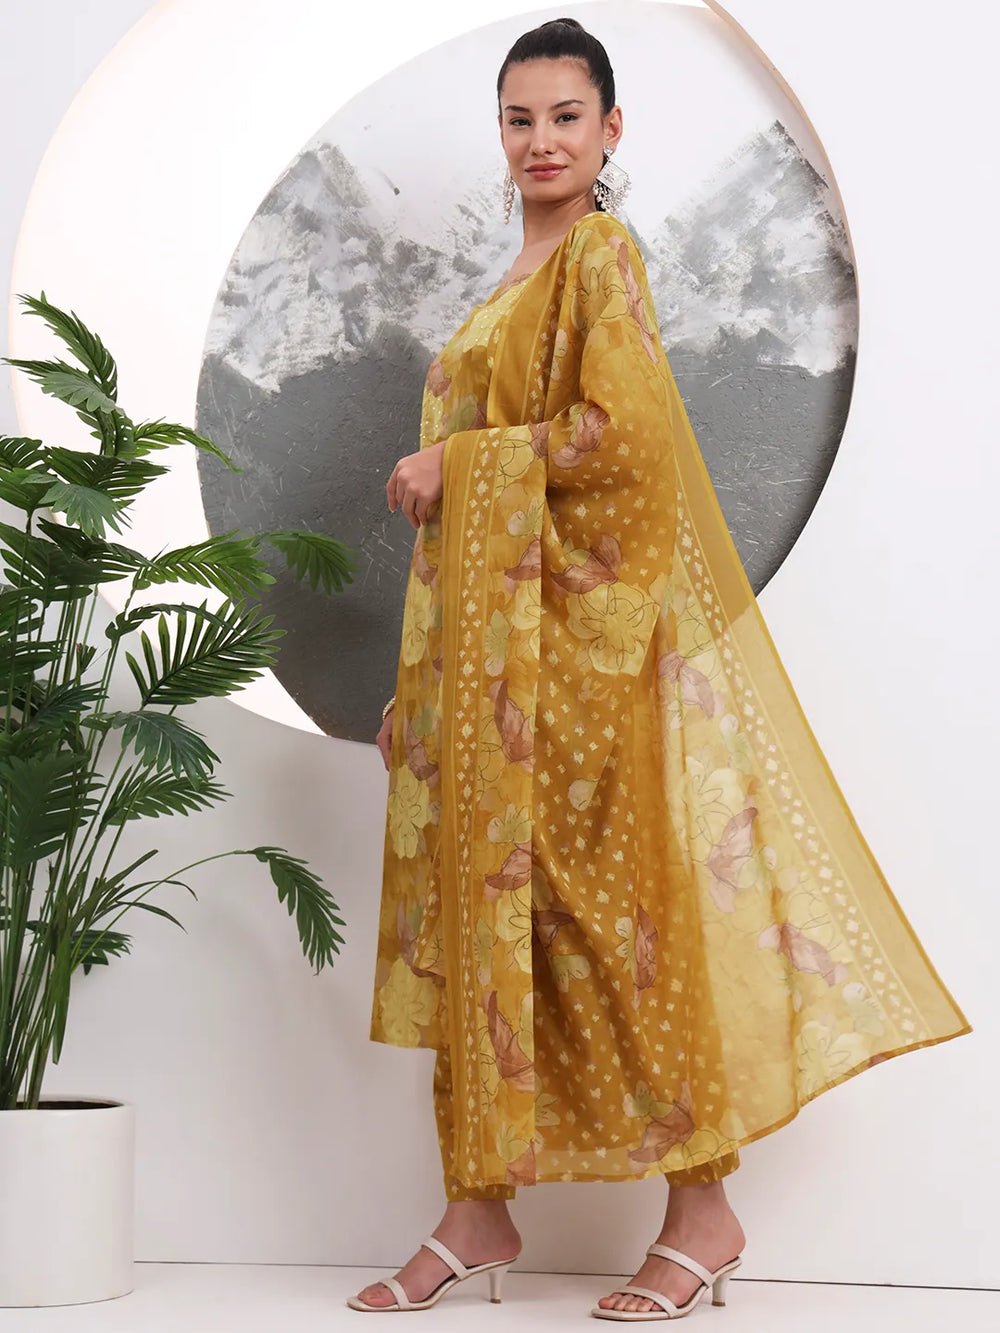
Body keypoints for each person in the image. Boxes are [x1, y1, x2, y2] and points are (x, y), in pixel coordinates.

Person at [349, 16, 972, 1321]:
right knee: (492, 921)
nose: (541, 140)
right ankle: (478, 1204)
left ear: (610, 130)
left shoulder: (600, 258)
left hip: (579, 664)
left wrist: (459, 461)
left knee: (606, 922)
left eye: (566, 116)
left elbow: (620, 443)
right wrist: (433, 676)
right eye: (520, 118)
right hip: (492, 669)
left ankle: (704, 1209)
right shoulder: (514, 279)